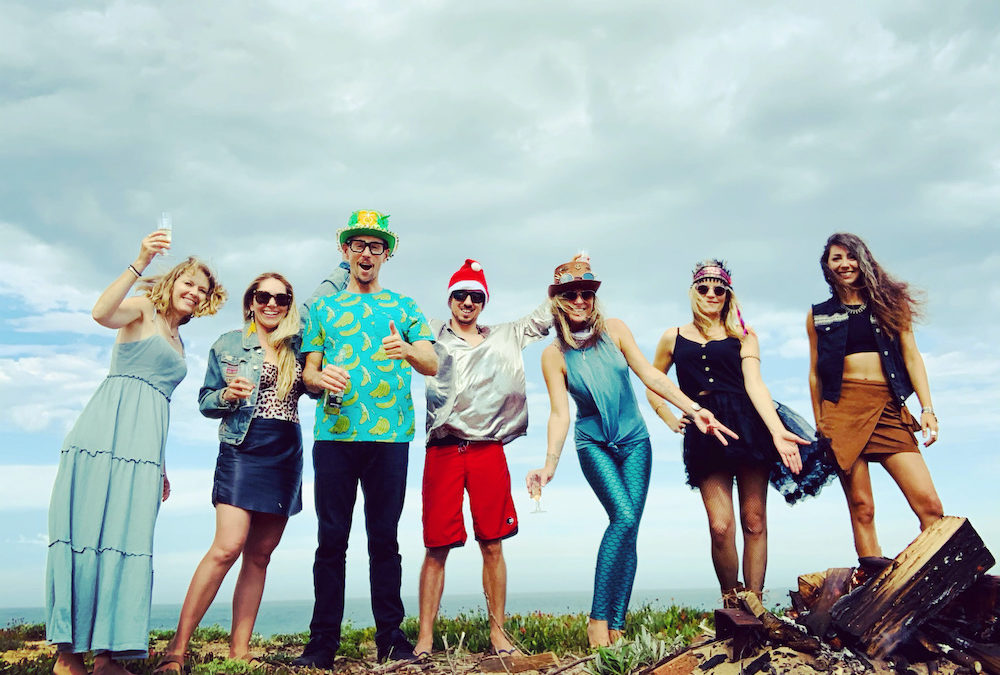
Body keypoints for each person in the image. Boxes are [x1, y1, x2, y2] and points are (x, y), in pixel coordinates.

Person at [526, 256, 736, 648]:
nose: (580, 300)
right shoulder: (553, 355)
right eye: (571, 294)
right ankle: (597, 620)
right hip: (594, 446)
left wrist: (693, 409)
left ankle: (617, 625)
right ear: (557, 300)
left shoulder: (616, 330)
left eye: (586, 293)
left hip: (636, 443)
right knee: (622, 517)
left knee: (629, 530)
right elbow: (559, 413)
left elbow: (651, 375)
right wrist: (549, 465)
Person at [45, 232, 225, 675]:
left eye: (202, 289)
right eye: (188, 282)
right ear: (172, 283)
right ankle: (67, 657)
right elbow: (101, 312)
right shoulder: (142, 311)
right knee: (85, 534)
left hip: (144, 451)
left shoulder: (180, 341)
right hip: (103, 434)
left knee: (128, 543)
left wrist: (160, 465)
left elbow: (158, 404)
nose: (194, 292)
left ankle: (108, 655)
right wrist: (140, 260)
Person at [294, 210, 438, 667]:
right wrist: (319, 378)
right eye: (358, 244)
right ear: (345, 251)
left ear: (386, 253)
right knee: (331, 539)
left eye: (375, 246)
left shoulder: (406, 306)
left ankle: (391, 640)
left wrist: (409, 350)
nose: (366, 253)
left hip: (390, 438)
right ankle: (322, 646)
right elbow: (309, 373)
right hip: (334, 437)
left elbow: (433, 363)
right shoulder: (324, 309)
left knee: (384, 539)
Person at [646, 260, 830, 605]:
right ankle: (731, 601)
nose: (711, 294)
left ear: (727, 294)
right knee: (720, 527)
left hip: (748, 427)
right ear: (693, 291)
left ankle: (754, 602)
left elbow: (756, 386)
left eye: (719, 289)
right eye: (704, 288)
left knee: (754, 521)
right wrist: (670, 418)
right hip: (704, 430)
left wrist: (777, 431)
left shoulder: (744, 336)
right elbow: (653, 384)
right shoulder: (673, 336)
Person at [154, 273, 307, 673]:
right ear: (250, 301)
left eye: (281, 297)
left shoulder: (300, 345)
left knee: (260, 555)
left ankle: (239, 651)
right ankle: (177, 650)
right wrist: (227, 395)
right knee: (227, 547)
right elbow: (205, 400)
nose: (271, 303)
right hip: (243, 448)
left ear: (289, 304)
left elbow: (313, 383)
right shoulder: (227, 344)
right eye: (263, 296)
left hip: (285, 452)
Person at [413, 259, 551, 658]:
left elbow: (545, 317)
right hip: (444, 449)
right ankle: (425, 639)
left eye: (476, 296)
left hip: (488, 449)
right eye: (461, 294)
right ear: (450, 298)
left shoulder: (504, 335)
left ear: (483, 301)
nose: (468, 302)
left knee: (492, 543)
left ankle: (498, 635)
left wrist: (567, 279)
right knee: (436, 545)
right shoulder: (431, 335)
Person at [807, 233, 942, 573]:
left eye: (850, 257)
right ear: (827, 266)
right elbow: (814, 375)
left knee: (930, 506)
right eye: (836, 258)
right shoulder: (818, 316)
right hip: (842, 411)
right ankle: (874, 584)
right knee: (862, 506)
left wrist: (927, 408)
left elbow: (912, 356)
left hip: (887, 407)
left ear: (863, 260)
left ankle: (920, 579)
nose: (844, 264)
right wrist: (821, 422)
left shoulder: (891, 305)